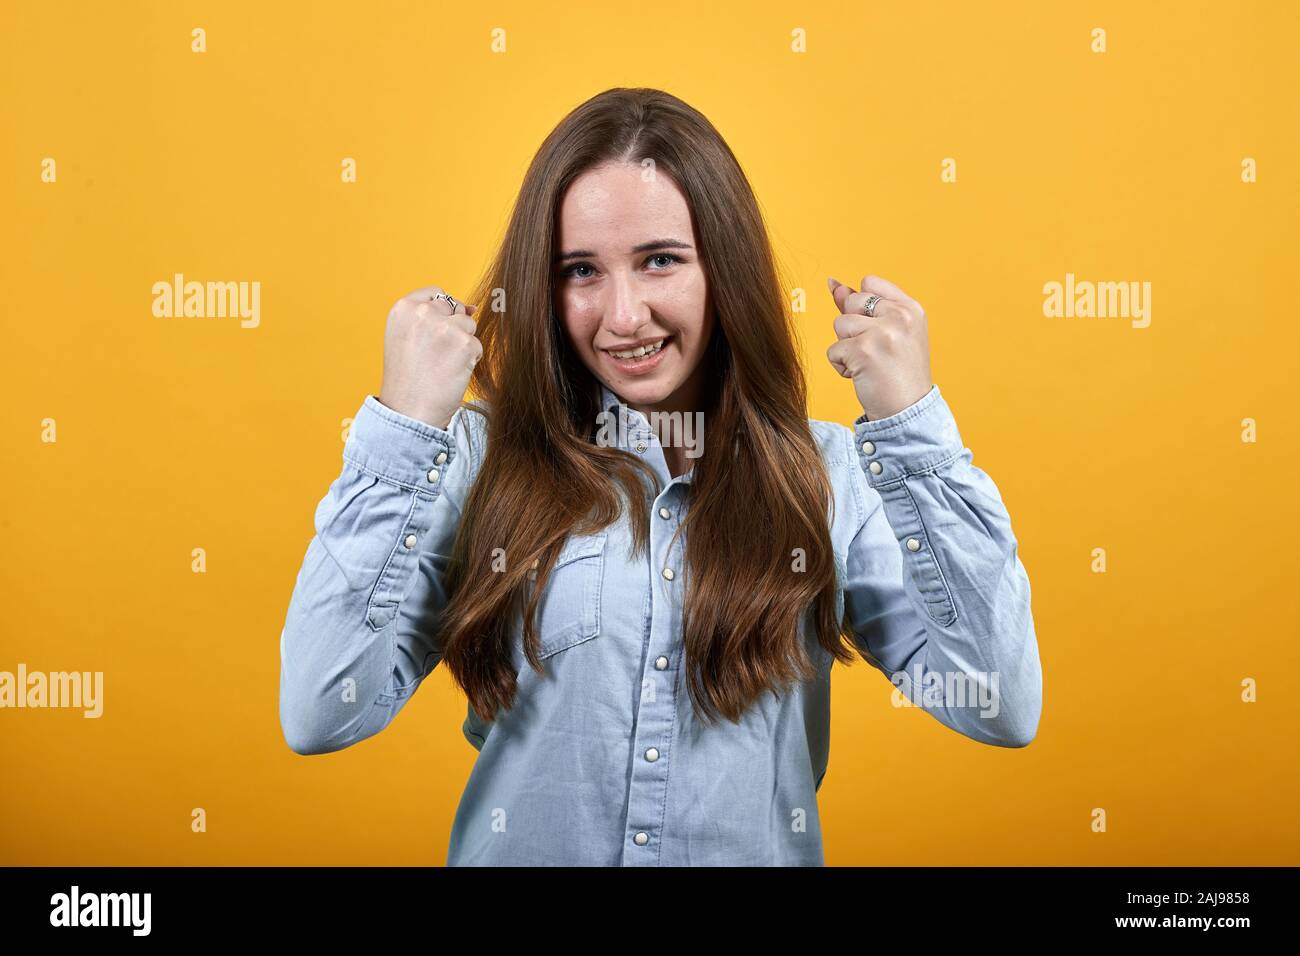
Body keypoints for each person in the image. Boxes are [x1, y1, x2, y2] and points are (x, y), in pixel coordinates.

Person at [278, 87, 1042, 866]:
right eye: (581, 270)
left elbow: (1000, 703)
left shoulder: (827, 474)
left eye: (661, 261)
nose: (622, 315)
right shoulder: (476, 462)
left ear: (726, 268)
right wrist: (404, 428)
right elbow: (318, 712)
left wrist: (913, 424)